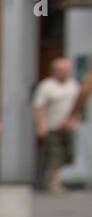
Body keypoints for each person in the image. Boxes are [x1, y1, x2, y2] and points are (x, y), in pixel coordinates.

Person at [33, 58, 80, 194]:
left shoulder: (73, 85)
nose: (64, 73)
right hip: (52, 126)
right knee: (55, 155)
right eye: (61, 70)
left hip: (69, 126)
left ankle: (48, 178)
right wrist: (41, 125)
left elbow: (78, 105)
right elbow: (39, 107)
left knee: (69, 155)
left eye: (66, 70)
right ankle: (53, 182)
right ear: (54, 71)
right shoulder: (47, 86)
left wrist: (74, 119)